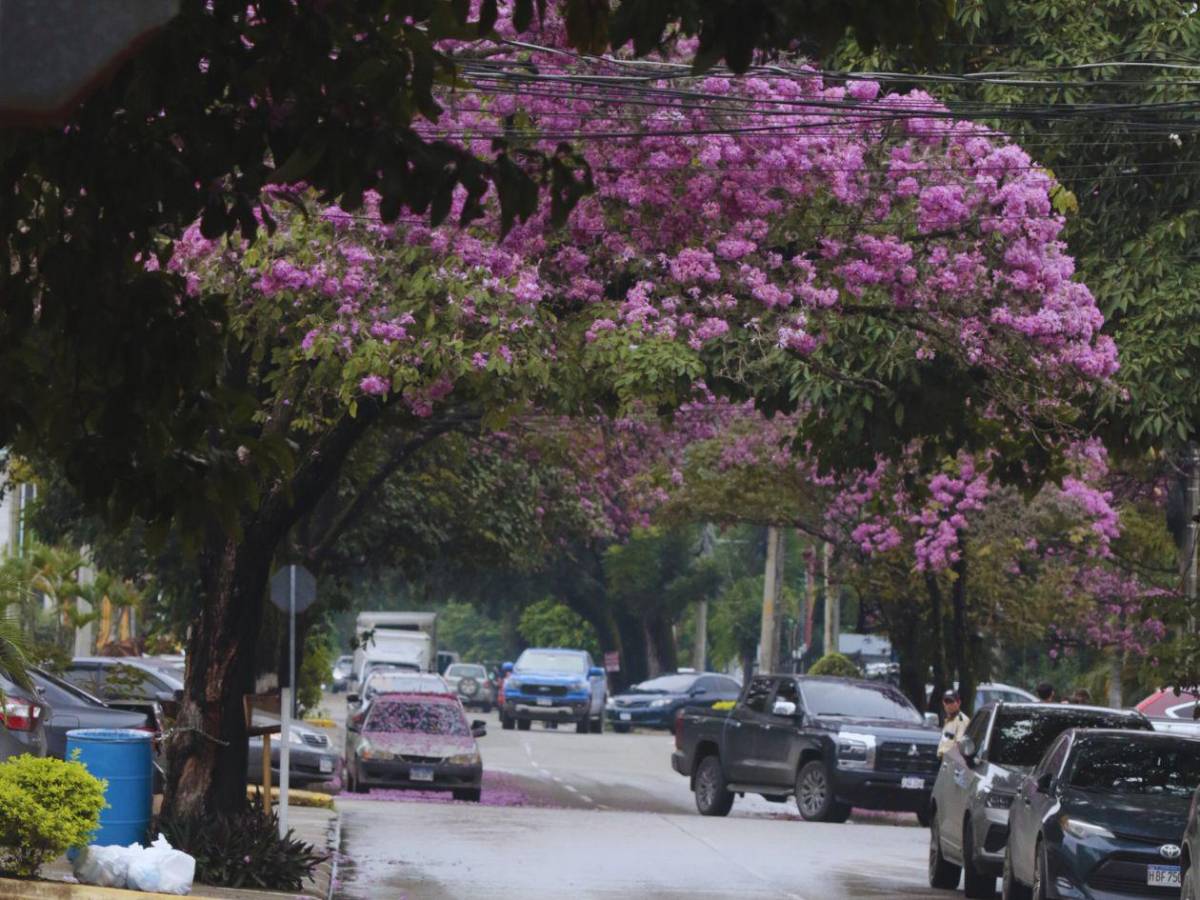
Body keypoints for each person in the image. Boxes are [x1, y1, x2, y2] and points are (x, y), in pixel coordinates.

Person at [937, 689, 970, 758]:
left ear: (959, 703)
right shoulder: (949, 719)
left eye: (951, 702)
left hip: (952, 761)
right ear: (943, 703)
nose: (949, 705)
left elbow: (960, 745)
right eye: (946, 702)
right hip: (943, 760)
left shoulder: (961, 721)